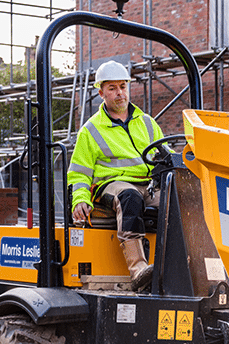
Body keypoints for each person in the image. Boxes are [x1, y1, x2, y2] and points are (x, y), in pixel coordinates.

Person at [68, 60, 163, 291]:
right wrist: (80, 199)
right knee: (130, 197)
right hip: (111, 185)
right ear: (101, 92)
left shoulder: (148, 123)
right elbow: (79, 173)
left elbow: (164, 154)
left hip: (147, 184)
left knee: (177, 201)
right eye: (112, 88)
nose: (119, 93)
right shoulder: (90, 130)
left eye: (123, 86)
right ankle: (139, 270)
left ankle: (180, 266)